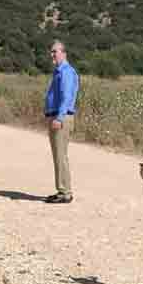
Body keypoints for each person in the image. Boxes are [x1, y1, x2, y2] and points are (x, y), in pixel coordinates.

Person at [44, 41, 79, 204]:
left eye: (54, 52)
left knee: (60, 156)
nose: (52, 54)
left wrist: (58, 117)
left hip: (62, 117)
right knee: (58, 155)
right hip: (58, 116)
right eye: (51, 52)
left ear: (63, 53)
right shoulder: (59, 72)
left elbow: (66, 97)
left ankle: (65, 192)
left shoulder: (65, 72)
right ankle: (62, 190)